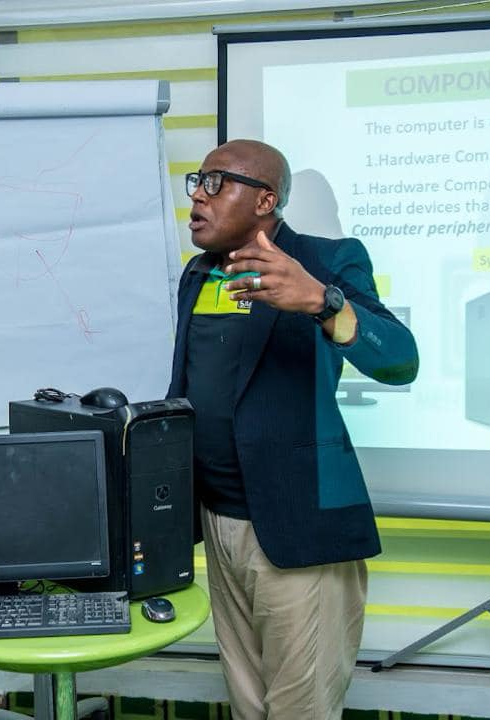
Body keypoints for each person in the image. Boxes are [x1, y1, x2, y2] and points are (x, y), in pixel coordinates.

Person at [167, 139, 418, 720]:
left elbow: (401, 360)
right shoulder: (197, 274)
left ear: (265, 201)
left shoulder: (326, 262)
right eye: (197, 182)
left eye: (216, 183)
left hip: (298, 524)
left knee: (300, 709)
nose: (198, 197)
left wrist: (323, 303)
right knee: (248, 702)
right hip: (217, 520)